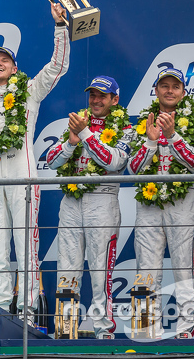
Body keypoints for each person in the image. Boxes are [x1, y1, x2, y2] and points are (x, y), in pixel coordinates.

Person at [0, 2, 69, 321]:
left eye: (4, 59)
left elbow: (57, 67)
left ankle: (26, 309)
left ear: (14, 66)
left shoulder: (29, 90)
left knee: (25, 243)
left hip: (21, 170)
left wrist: (61, 28)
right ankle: (0, 307)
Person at [127, 68, 194, 338]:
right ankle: (145, 331)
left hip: (183, 205)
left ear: (184, 92)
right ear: (155, 90)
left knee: (184, 270)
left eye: (175, 86)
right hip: (148, 207)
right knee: (146, 272)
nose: (169, 91)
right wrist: (151, 142)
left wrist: (174, 135)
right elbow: (134, 170)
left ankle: (185, 331)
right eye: (164, 85)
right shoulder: (140, 124)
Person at [46, 75, 132, 338]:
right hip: (71, 201)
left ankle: (103, 331)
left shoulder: (126, 129)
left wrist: (84, 133)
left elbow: (113, 162)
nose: (95, 100)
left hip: (102, 200)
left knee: (100, 270)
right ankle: (65, 329)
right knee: (67, 267)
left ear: (114, 100)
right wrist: (72, 142)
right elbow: (51, 162)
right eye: (92, 95)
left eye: (102, 96)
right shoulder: (77, 122)